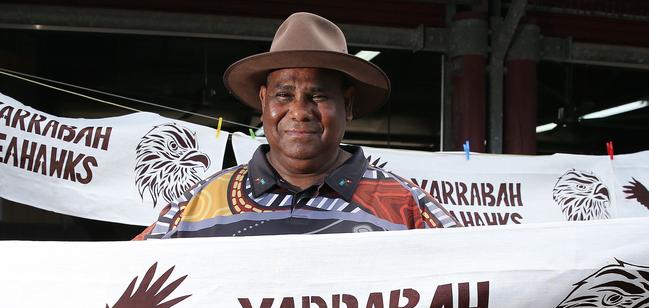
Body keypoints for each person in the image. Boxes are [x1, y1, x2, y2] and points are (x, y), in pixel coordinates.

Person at [134, 12, 459, 239]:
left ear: (346, 104)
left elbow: (481, 293)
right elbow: (121, 279)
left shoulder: (408, 209)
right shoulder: (199, 206)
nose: (300, 111)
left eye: (317, 95)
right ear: (264, 102)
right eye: (284, 95)